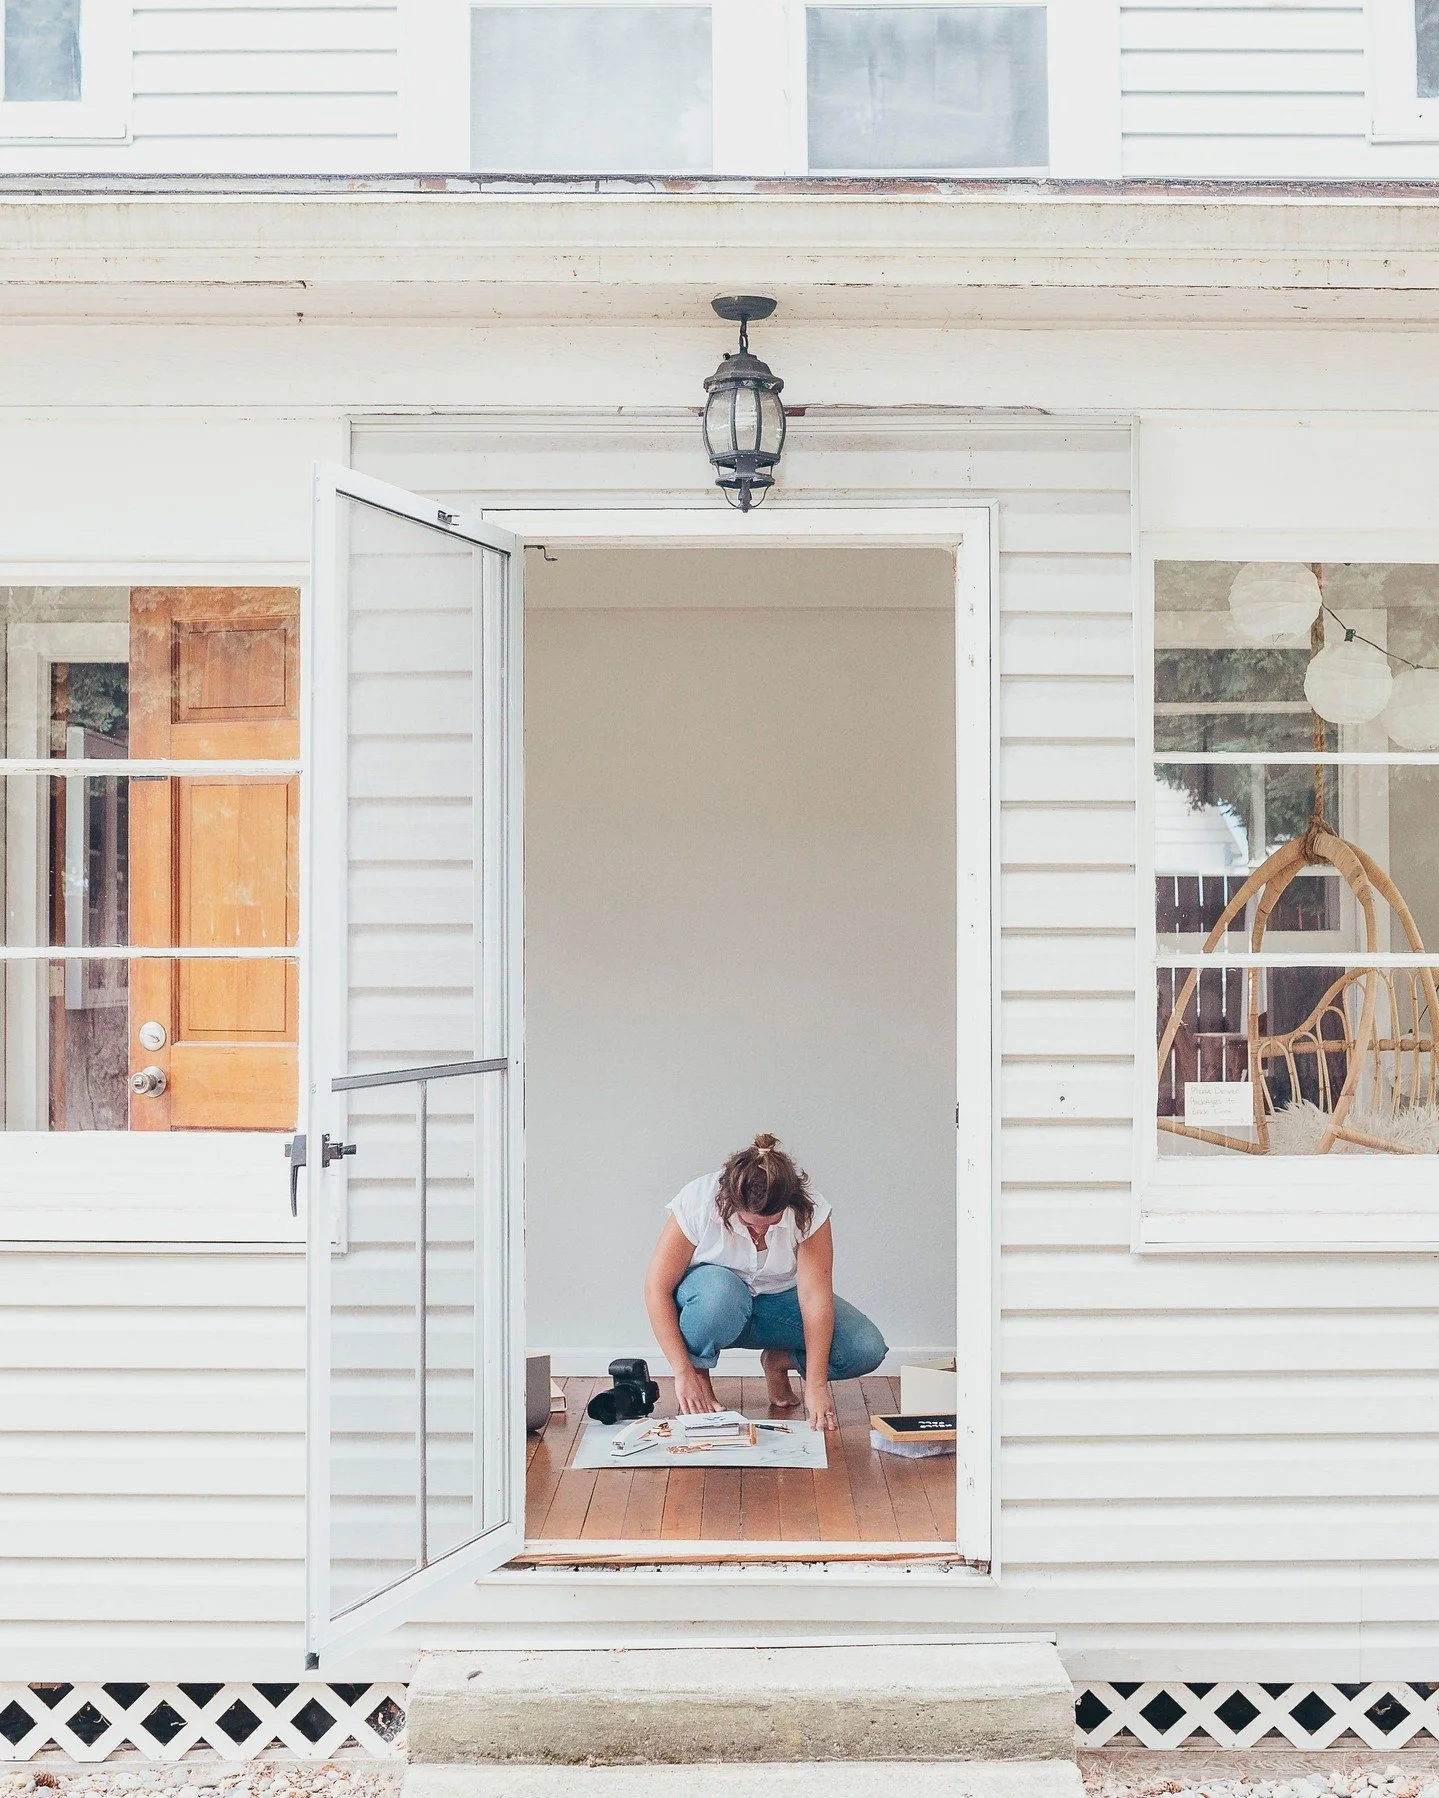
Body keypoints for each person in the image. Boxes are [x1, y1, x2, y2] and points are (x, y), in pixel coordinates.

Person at [643, 1132, 887, 1434]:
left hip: (777, 1304)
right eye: (749, 1222)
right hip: (714, 1304)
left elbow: (814, 1297)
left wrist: (816, 1384)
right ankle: (699, 1377)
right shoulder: (698, 1201)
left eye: (770, 1222)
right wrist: (683, 1372)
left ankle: (777, 1362)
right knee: (721, 1291)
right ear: (729, 1201)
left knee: (864, 1347)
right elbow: (657, 1289)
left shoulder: (809, 1210)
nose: (759, 1230)